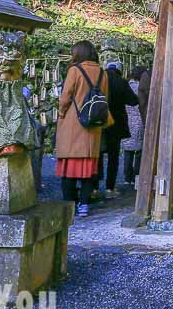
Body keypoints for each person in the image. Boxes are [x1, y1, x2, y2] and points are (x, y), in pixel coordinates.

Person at [56, 41, 112, 217]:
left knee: (68, 169)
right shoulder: (103, 73)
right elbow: (105, 98)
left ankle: (69, 205)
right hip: (93, 125)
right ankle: (84, 204)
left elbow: (65, 98)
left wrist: (62, 113)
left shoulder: (75, 70)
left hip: (74, 123)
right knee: (88, 169)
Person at [98, 62, 138, 197]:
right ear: (119, 71)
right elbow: (133, 100)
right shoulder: (121, 82)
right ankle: (110, 188)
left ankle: (94, 187)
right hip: (116, 123)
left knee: (97, 155)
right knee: (113, 156)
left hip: (99, 120)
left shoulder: (99, 79)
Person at [121, 66, 146, 186]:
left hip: (126, 121)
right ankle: (137, 175)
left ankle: (127, 177)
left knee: (128, 150)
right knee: (140, 149)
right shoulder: (142, 88)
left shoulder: (126, 86)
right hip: (139, 120)